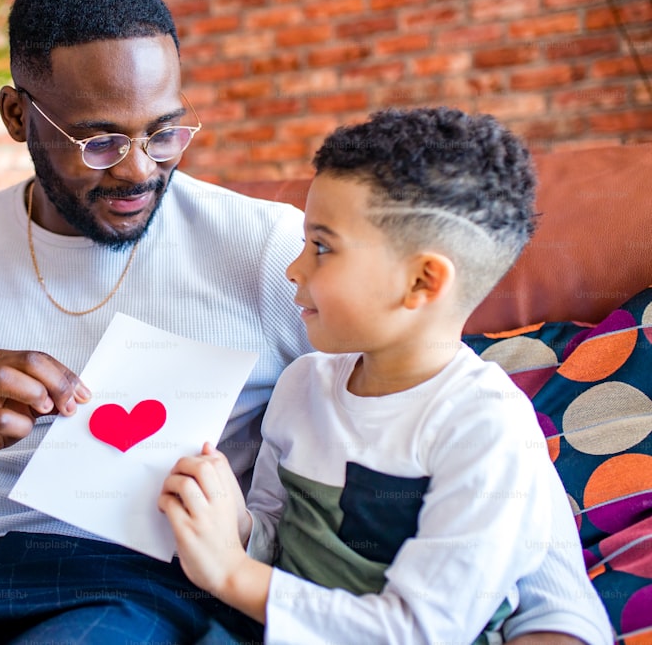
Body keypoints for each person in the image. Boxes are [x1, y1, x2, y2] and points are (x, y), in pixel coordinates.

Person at [0, 0, 606, 643]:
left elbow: (458, 417)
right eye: (102, 141)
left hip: (141, 578)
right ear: (17, 116)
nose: (144, 168)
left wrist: (558, 617)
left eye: (165, 131)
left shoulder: (273, 248)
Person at [158, 107, 613, 644]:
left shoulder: (484, 426)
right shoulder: (302, 385)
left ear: (422, 280)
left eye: (322, 247)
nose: (294, 268)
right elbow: (277, 543)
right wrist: (236, 528)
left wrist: (231, 574)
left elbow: (419, 630)